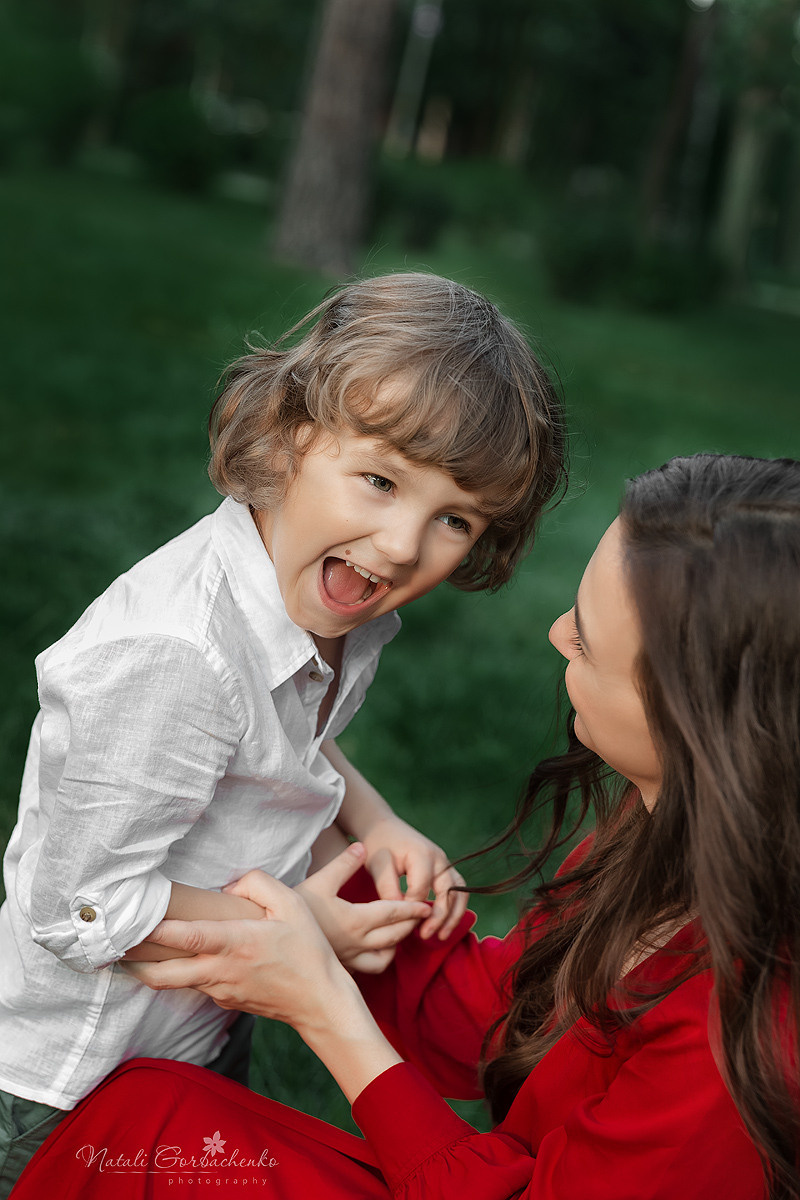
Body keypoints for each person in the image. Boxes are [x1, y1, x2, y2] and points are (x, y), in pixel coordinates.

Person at [13, 451, 800, 1199]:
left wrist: (324, 1004)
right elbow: (507, 1017)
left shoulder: (747, 1046)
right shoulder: (677, 830)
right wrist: (362, 862)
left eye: (589, 643)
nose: (559, 632)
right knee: (147, 1122)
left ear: (708, 727)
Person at [0, 272, 567, 1196]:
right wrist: (307, 931)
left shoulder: (326, 605)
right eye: (380, 481)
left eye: (452, 519)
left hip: (187, 1028)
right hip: (63, 1080)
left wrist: (375, 820)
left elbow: (278, 734)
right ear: (288, 433)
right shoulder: (176, 659)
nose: (398, 547)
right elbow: (81, 907)